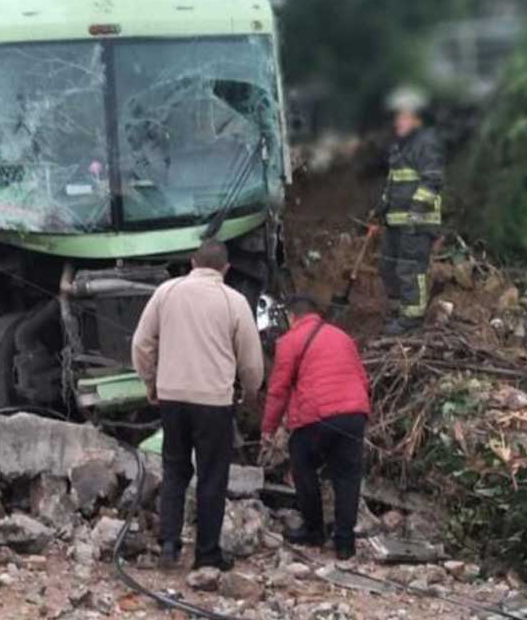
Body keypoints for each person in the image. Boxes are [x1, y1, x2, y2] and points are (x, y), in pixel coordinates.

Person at [130, 241, 265, 571]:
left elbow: (141, 344)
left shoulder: (166, 292)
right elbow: (250, 361)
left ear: (192, 262)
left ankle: (169, 546)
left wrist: (151, 383)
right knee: (212, 476)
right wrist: (250, 392)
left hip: (172, 397)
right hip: (214, 401)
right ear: (226, 269)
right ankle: (207, 554)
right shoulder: (233, 301)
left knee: (174, 471)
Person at [261, 295, 372, 560]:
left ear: (292, 316)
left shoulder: (289, 341)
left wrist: (268, 428)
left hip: (316, 416)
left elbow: (278, 390)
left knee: (303, 467)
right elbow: (361, 377)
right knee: (347, 476)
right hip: (353, 413)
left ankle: (313, 530)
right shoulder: (341, 336)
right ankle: (345, 543)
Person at [378, 88, 444, 335]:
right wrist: (382, 206)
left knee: (410, 269)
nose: (398, 121)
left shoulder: (426, 144)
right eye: (397, 117)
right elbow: (393, 182)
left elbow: (432, 181)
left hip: (417, 222)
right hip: (397, 222)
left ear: (416, 118)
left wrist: (416, 212)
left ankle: (411, 321)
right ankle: (398, 312)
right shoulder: (401, 147)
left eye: (403, 116)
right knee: (388, 267)